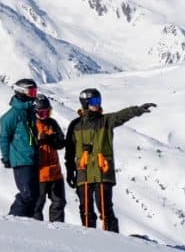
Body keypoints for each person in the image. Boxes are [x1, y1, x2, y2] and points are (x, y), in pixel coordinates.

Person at [65, 88, 155, 232]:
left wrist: (137, 110)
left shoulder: (105, 121)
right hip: (84, 172)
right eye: (94, 101)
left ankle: (113, 239)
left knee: (104, 207)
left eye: (99, 101)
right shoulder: (75, 125)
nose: (98, 104)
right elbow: (69, 151)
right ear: (85, 103)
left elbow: (121, 116)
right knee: (85, 209)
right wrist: (70, 171)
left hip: (102, 171)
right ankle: (90, 239)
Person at [0, 78, 39, 218]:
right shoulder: (12, 115)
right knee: (27, 194)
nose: (34, 95)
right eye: (32, 92)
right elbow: (3, 137)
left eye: (35, 92)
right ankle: (14, 219)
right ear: (22, 92)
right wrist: (6, 157)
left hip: (33, 158)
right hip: (21, 160)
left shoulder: (30, 112)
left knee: (35, 194)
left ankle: (29, 222)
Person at [32, 95, 67, 222]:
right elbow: (27, 144)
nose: (45, 115)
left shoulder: (52, 123)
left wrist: (53, 139)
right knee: (37, 205)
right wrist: (38, 140)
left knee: (59, 202)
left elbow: (61, 142)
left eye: (48, 112)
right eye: (42, 113)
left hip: (55, 172)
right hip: (40, 173)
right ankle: (37, 231)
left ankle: (58, 229)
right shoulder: (31, 124)